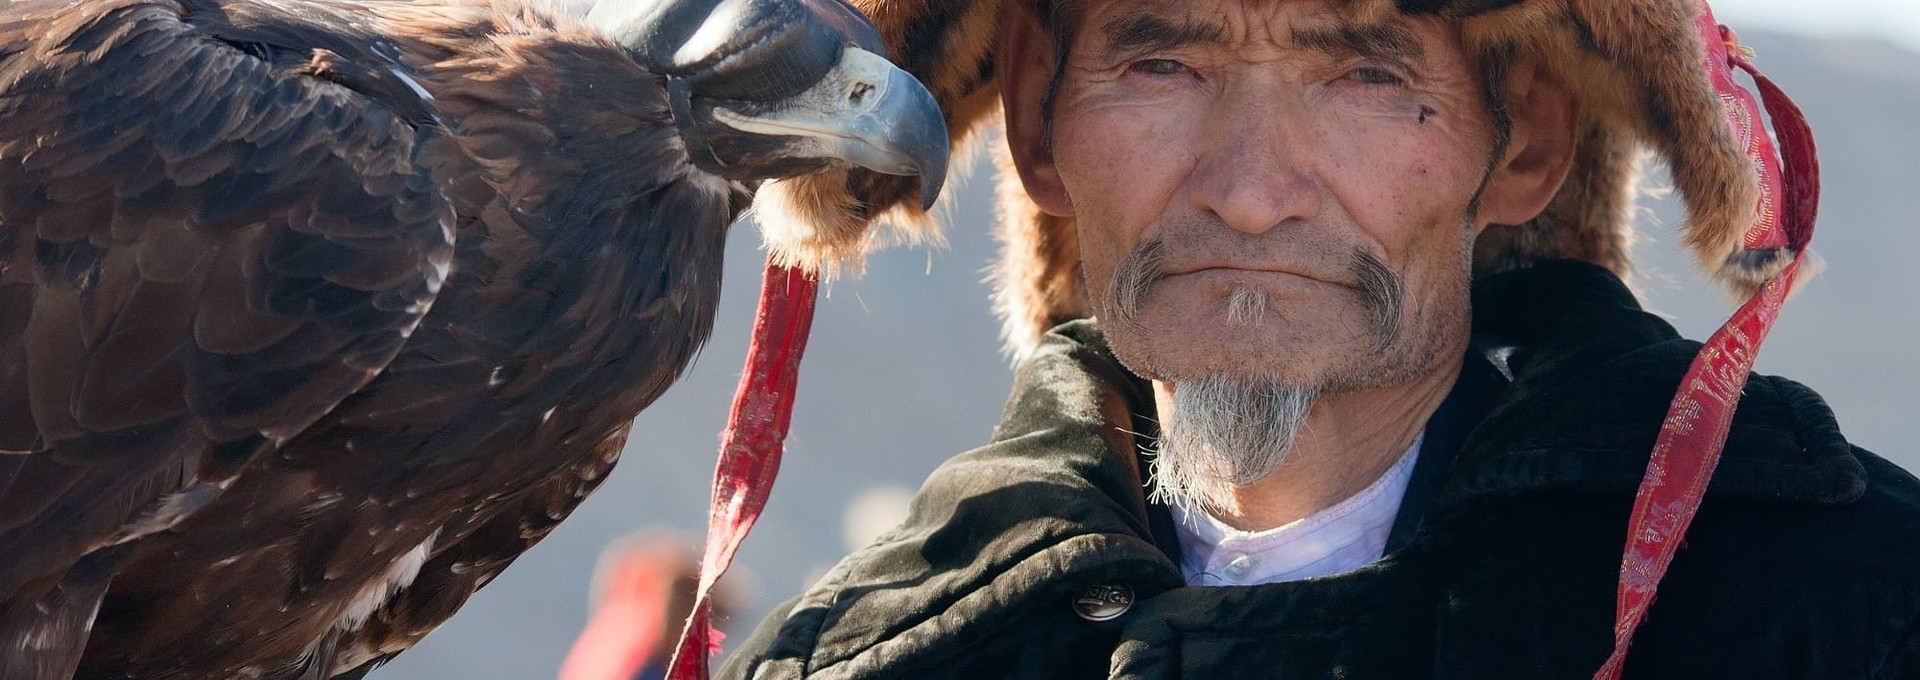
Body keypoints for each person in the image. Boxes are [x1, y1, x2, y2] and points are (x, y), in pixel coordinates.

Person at [719, 0, 1920, 677]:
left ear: (1527, 144)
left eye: (1360, 72)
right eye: (1164, 62)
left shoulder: (1840, 613)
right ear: (1038, 124)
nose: (1250, 190)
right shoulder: (852, 659)